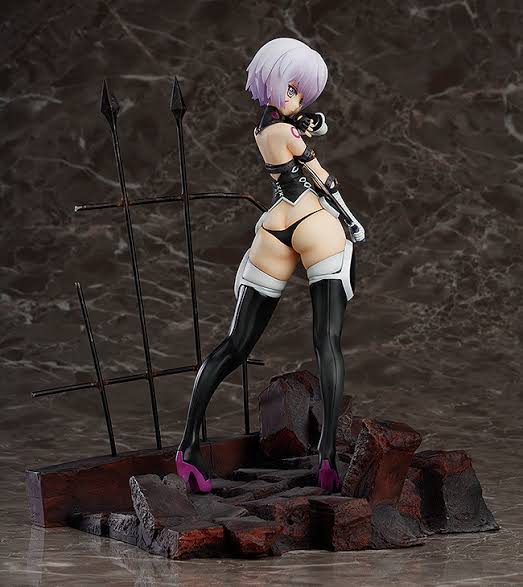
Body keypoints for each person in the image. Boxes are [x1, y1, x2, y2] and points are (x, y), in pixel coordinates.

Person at [176, 37, 366, 494]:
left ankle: (188, 445)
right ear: (275, 83)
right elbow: (322, 178)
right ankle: (326, 456)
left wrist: (308, 121)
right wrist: (351, 220)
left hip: (274, 229)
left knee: (235, 345)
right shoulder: (289, 132)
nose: (298, 98)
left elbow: (307, 127)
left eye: (301, 92)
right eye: (293, 88)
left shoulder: (265, 129)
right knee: (327, 341)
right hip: (312, 221)